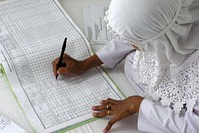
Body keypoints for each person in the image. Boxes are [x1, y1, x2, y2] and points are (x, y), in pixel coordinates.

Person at [52, 0, 199, 132]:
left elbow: (194, 126)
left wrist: (137, 105)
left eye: (140, 42)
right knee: (131, 61)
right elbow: (139, 32)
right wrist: (85, 64)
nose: (134, 45)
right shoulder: (174, 18)